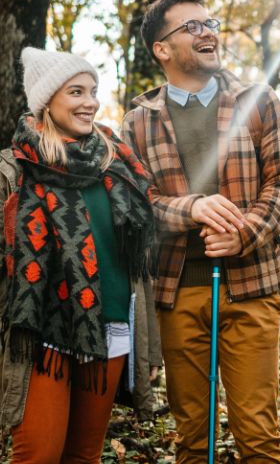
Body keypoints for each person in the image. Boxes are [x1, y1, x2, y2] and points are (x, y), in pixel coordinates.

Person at [121, 0, 280, 463]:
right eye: (193, 26)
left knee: (259, 436)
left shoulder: (259, 103)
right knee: (192, 440)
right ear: (163, 48)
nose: (209, 32)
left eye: (211, 23)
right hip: (178, 294)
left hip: (252, 287)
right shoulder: (138, 123)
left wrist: (243, 232)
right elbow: (137, 206)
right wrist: (193, 208)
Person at [0, 48, 161, 463]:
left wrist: (149, 344)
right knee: (37, 455)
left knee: (85, 457)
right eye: (76, 91)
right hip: (41, 333)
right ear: (46, 100)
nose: (90, 102)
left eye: (93, 91)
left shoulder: (118, 164)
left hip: (110, 332)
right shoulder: (13, 169)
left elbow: (139, 264)